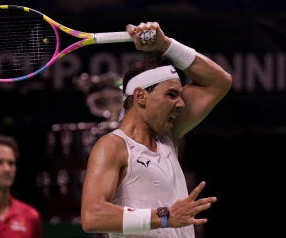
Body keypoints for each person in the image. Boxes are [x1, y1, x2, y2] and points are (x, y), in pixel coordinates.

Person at [80, 22, 232, 237]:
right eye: (171, 95)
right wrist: (165, 217)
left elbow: (219, 81)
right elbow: (92, 216)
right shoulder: (113, 146)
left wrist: (166, 45)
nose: (180, 103)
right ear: (141, 96)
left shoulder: (167, 136)